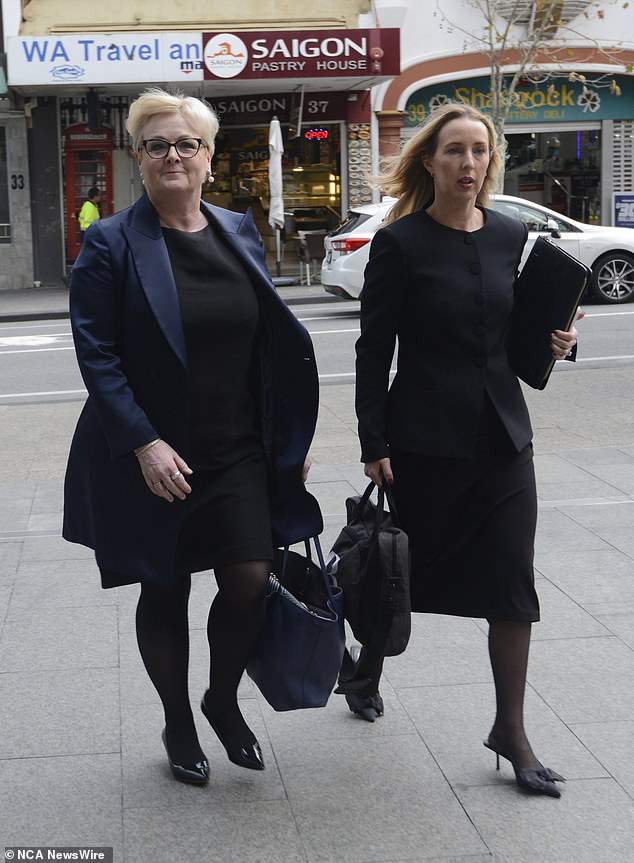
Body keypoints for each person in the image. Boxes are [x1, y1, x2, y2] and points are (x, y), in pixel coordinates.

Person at [63, 88, 321, 786]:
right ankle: (179, 716)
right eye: (156, 145)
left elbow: (265, 346)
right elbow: (97, 352)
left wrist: (286, 447)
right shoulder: (111, 241)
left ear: (209, 157)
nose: (172, 155)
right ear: (138, 159)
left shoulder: (238, 229)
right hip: (155, 453)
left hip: (235, 444)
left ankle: (221, 694)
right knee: (166, 586)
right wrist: (143, 441)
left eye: (186, 144)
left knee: (249, 577)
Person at [354, 103, 580, 798]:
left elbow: (512, 341)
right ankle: (364, 669)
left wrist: (556, 344)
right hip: (423, 442)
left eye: (480, 151)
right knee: (400, 573)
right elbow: (374, 351)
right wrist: (373, 440)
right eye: (455, 151)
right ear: (431, 161)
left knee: (513, 581)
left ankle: (509, 730)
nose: (469, 164)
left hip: (504, 440)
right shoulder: (400, 244)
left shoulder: (511, 234)